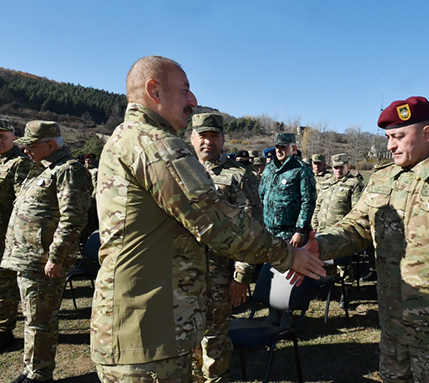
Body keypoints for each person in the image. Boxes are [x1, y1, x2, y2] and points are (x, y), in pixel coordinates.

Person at [91, 56, 324, 382]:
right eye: (184, 90)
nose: (193, 101)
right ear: (154, 91)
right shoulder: (154, 144)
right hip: (148, 331)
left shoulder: (127, 138)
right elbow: (217, 221)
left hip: (145, 323)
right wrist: (287, 256)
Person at [304, 96, 429, 382]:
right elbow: (358, 226)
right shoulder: (382, 178)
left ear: (426, 134)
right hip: (392, 327)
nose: (390, 145)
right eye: (388, 137)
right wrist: (321, 244)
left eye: (398, 136)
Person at [2, 121, 92, 383]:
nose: (26, 150)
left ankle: (39, 374)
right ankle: (31, 370)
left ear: (50, 144)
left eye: (31, 145)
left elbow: (73, 219)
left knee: (41, 321)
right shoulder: (41, 170)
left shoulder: (68, 171)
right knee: (32, 320)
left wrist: (56, 258)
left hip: (43, 262)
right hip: (28, 259)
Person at [189, 112, 262, 383]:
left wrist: (241, 277)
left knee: (214, 340)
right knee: (186, 336)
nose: (208, 142)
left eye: (214, 136)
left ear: (222, 139)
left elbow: (252, 230)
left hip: (218, 273)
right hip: (182, 272)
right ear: (192, 138)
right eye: (203, 136)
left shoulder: (238, 175)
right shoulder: (182, 170)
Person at [260, 132, 317, 326]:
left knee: (290, 273)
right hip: (270, 232)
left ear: (293, 148)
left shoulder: (301, 170)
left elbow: (308, 202)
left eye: (284, 147)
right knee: (273, 271)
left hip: (290, 233)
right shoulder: (268, 170)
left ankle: (287, 313)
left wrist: (300, 230)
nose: (279, 150)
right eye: (277, 147)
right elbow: (262, 196)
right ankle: (272, 311)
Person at [311, 152, 365, 307]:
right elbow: (318, 206)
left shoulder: (354, 184)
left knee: (344, 265)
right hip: (322, 231)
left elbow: (357, 211)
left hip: (341, 234)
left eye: (341, 167)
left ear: (347, 166)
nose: (338, 170)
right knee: (324, 263)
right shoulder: (327, 183)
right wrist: (315, 225)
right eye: (335, 167)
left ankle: (346, 292)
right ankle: (327, 290)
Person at [0, 119, 32, 353]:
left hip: (5, 235)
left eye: (4, 136)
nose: (0, 140)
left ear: (13, 138)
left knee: (4, 285)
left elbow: (23, 203)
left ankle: (4, 331)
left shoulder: (19, 163)